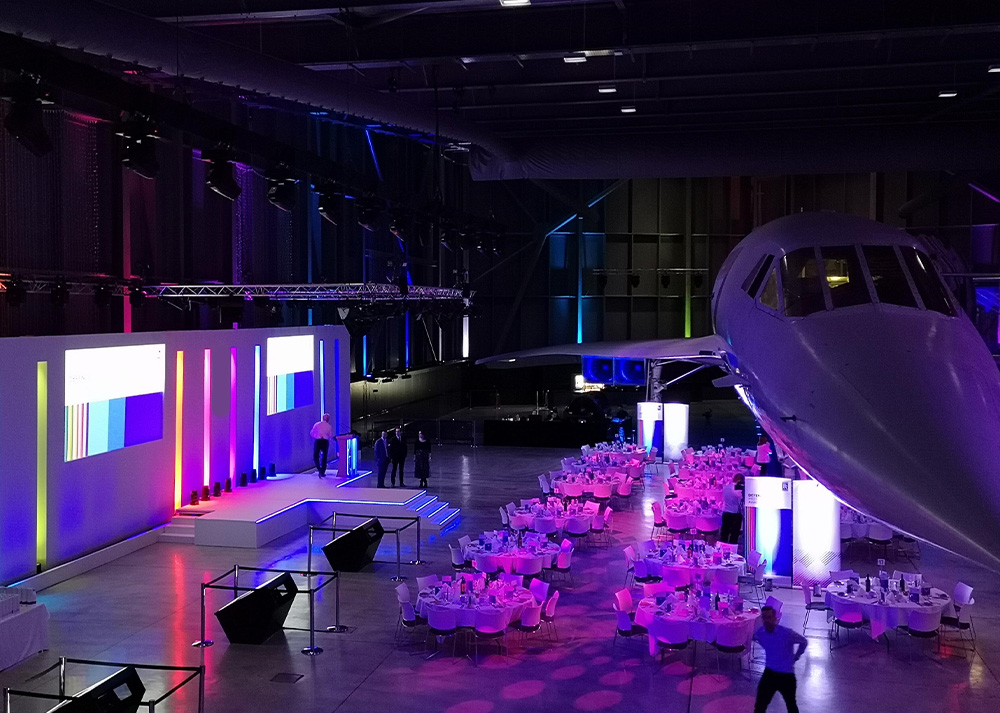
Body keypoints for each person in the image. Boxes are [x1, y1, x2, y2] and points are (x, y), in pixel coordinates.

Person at [753, 605, 807, 713]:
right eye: (764, 618)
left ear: (775, 618)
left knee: (791, 705)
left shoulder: (787, 633)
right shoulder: (760, 633)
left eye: (769, 617)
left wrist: (796, 656)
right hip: (769, 673)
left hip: (786, 676)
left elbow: (803, 641)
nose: (766, 620)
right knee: (760, 706)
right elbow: (752, 637)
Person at [720, 472, 744, 544]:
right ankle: (732, 551)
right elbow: (741, 499)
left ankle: (722, 549)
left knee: (724, 534)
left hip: (726, 513)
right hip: (735, 514)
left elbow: (723, 499)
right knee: (734, 535)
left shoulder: (726, 487)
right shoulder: (738, 489)